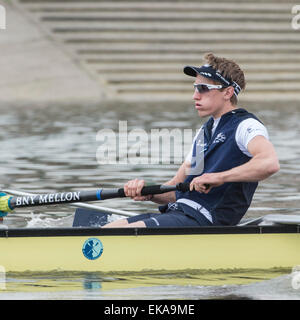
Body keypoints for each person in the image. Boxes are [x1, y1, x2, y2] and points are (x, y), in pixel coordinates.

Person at [103, 52, 280, 228]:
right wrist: (147, 191)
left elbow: (269, 163)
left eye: (203, 89)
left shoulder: (246, 126)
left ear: (227, 92)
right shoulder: (204, 132)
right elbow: (176, 190)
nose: (195, 96)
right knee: (108, 228)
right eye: (195, 88)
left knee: (117, 233)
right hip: (180, 213)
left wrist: (220, 177)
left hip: (205, 220)